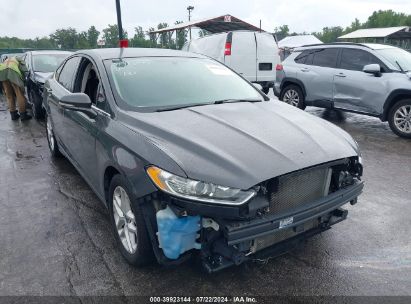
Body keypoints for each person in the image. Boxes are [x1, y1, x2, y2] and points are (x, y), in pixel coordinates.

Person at [0, 56, 32, 121]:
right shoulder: (19, 59)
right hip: (12, 72)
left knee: (9, 95)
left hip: (2, 72)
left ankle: (13, 115)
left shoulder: (5, 61)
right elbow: (24, 70)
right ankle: (23, 115)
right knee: (19, 94)